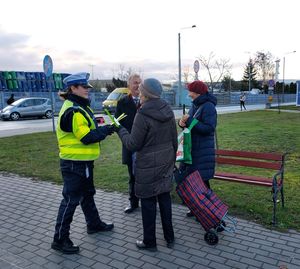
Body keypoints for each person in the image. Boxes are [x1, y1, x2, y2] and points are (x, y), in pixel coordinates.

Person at [51, 72, 115, 254]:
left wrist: (101, 126)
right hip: (74, 164)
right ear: (72, 88)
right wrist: (107, 130)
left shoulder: (79, 107)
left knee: (87, 194)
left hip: (82, 162)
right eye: (83, 87)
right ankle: (60, 240)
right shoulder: (73, 110)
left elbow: (87, 128)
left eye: (87, 87)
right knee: (71, 200)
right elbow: (86, 137)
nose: (87, 90)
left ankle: (93, 224)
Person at [116, 78, 178, 250]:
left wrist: (119, 129)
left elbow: (133, 144)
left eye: (141, 90)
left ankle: (149, 242)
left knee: (148, 202)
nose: (139, 93)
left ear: (146, 93)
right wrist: (171, 160)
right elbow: (174, 139)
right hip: (166, 161)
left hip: (148, 165)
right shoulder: (168, 109)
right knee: (164, 198)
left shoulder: (142, 114)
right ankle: (169, 237)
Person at [178, 80, 217, 217]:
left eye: (191, 91)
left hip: (202, 151)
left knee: (203, 183)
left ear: (198, 92)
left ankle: (211, 211)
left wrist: (189, 121)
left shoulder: (208, 107)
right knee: (193, 182)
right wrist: (182, 123)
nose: (189, 94)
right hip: (192, 150)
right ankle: (197, 208)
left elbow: (208, 128)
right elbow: (190, 124)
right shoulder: (195, 105)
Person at [115, 74, 142, 214]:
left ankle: (149, 202)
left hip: (145, 146)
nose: (137, 85)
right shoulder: (122, 103)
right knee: (132, 176)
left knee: (146, 175)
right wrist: (126, 138)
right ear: (129, 86)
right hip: (130, 145)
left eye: (139, 82)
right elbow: (117, 124)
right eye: (135, 83)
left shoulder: (147, 101)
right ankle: (133, 203)